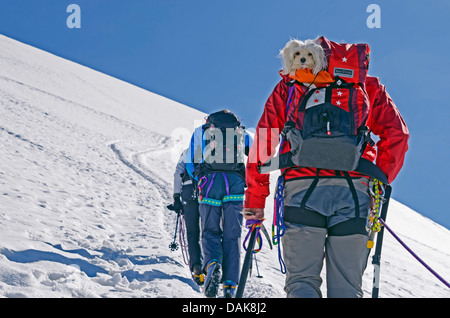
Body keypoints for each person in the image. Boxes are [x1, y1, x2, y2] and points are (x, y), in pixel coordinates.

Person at [243, 38, 409, 298]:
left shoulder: (292, 83)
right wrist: (379, 178)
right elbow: (397, 136)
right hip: (355, 193)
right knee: (347, 288)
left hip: (301, 189)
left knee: (301, 284)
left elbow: (265, 138)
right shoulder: (368, 87)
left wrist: (255, 198)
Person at [185, 109, 252, 298]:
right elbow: (255, 158)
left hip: (209, 182)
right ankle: (230, 285)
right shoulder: (241, 133)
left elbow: (190, 161)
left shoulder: (201, 130)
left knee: (210, 231)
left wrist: (198, 178)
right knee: (233, 234)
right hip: (235, 184)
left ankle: (212, 263)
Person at [171, 149, 204, 286]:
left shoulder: (187, 152)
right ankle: (212, 264)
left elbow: (178, 174)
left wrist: (176, 197)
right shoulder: (213, 150)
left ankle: (197, 267)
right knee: (210, 231)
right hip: (207, 192)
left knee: (192, 233)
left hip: (188, 191)